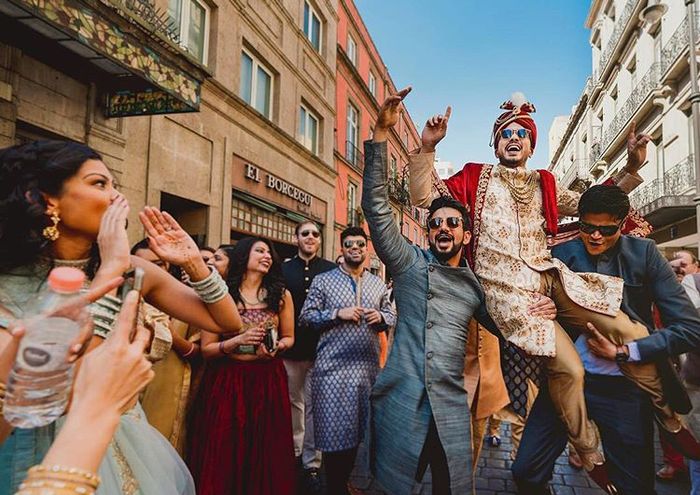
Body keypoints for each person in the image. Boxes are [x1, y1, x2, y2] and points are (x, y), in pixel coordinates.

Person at [405, 87, 694, 491]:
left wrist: (631, 166)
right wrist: (427, 148)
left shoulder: (545, 182)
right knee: (569, 368)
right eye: (505, 133)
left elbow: (596, 202)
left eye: (521, 134)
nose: (513, 139)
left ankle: (670, 417)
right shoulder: (475, 176)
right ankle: (590, 453)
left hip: (549, 277)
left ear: (531, 144)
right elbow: (426, 199)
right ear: (496, 142)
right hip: (506, 291)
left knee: (628, 330)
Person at [0, 140, 242, 495]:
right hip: (28, 447)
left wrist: (193, 263)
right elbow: (68, 387)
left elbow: (226, 323)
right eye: (99, 183)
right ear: (47, 198)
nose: (117, 197)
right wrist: (110, 274)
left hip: (116, 446)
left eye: (115, 184)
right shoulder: (8, 285)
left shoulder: (132, 269)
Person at [361, 92, 556, 494]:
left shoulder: (474, 286)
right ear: (429, 233)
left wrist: (546, 305)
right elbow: (377, 208)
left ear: (467, 235)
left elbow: (510, 325)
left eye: (453, 223)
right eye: (436, 224)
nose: (444, 229)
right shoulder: (408, 262)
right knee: (390, 487)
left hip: (450, 411)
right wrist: (381, 133)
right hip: (401, 402)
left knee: (450, 488)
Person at [512, 185, 700, 494]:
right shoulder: (560, 256)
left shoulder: (645, 254)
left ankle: (670, 423)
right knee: (526, 470)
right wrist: (544, 307)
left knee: (634, 486)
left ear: (623, 223)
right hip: (565, 381)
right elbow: (534, 308)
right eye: (587, 227)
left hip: (625, 390)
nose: (595, 236)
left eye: (606, 229)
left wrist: (625, 351)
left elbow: (689, 328)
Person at [188, 239, 296, 495]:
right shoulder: (222, 295)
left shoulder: (281, 296)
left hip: (267, 379)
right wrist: (236, 341)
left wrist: (276, 347)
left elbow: (289, 338)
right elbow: (208, 349)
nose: (267, 255)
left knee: (265, 446)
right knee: (225, 444)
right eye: (260, 250)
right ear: (243, 256)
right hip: (228, 381)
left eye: (269, 252)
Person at [299, 226, 396, 495]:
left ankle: (342, 483)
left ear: (367, 249)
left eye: (360, 245)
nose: (355, 248)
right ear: (341, 249)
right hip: (331, 372)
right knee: (332, 435)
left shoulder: (377, 284)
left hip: (366, 372)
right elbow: (306, 317)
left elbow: (391, 316)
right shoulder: (324, 280)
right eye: (349, 244)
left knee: (356, 435)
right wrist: (337, 313)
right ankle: (335, 487)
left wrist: (382, 319)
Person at [131, 239, 201, 455]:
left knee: (160, 450)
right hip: (128, 384)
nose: (148, 271)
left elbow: (199, 352)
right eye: (141, 265)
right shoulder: (122, 296)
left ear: (167, 266)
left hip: (169, 383)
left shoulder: (186, 300)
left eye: (157, 264)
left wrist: (170, 335)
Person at [280, 221, 335, 492]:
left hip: (322, 351)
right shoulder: (284, 269)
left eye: (315, 234)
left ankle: (312, 463)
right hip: (291, 349)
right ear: (296, 238)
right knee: (293, 404)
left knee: (315, 407)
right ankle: (294, 452)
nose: (311, 237)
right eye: (305, 234)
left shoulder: (330, 270)